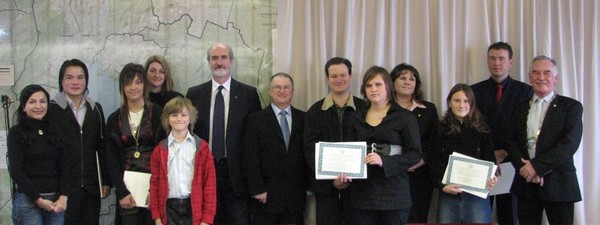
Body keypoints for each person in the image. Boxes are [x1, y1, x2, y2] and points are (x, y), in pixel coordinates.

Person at [186, 42, 262, 225]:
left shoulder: (248, 94)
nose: (219, 62)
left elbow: (256, 139)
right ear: (208, 62)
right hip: (205, 172)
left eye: (223, 57)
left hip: (237, 176)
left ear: (231, 61)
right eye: (214, 58)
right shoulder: (194, 94)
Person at [507, 55, 582, 225]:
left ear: (555, 78)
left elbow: (569, 144)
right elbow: (511, 142)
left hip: (559, 184)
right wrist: (525, 169)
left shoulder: (571, 107)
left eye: (547, 73)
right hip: (526, 184)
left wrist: (537, 167)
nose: (541, 77)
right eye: (536, 72)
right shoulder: (519, 108)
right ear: (529, 77)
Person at [344, 66, 421, 225]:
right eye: (368, 85)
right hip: (362, 196)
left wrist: (383, 161)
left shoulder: (405, 117)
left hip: (394, 196)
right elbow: (347, 151)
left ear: (388, 86)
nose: (373, 89)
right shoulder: (354, 117)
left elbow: (414, 154)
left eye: (378, 84)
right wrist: (341, 173)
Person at [471, 42, 533, 225]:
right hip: (482, 159)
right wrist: (490, 154)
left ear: (510, 62)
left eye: (501, 58)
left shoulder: (525, 91)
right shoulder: (474, 91)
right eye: (492, 58)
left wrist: (505, 151)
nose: (496, 63)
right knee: (480, 213)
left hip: (513, 160)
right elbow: (472, 128)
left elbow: (525, 127)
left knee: (510, 214)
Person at [304, 57, 367, 225]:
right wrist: (332, 178)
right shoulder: (315, 111)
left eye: (343, 75)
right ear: (327, 79)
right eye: (333, 76)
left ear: (351, 76)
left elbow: (370, 145)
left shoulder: (365, 109)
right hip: (325, 188)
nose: (339, 79)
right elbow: (310, 149)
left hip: (359, 188)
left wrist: (351, 176)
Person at [47, 59, 109, 225]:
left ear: (86, 80)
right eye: (69, 77)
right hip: (63, 191)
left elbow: (101, 147)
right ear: (62, 81)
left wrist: (105, 180)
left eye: (80, 77)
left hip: (91, 188)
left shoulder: (95, 109)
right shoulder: (51, 110)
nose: (75, 82)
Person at [243, 73, 307, 225]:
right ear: (270, 91)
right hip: (266, 196)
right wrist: (257, 188)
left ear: (292, 91)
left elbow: (307, 155)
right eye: (277, 87)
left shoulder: (304, 118)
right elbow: (250, 157)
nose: (282, 91)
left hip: (295, 197)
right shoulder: (255, 120)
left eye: (286, 87)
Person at [430, 83, 498, 223]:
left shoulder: (482, 129)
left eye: (466, 101)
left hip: (477, 196)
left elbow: (490, 159)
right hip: (449, 194)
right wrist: (442, 186)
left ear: (472, 103)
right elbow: (433, 161)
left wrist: (492, 177)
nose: (462, 105)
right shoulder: (440, 129)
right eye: (457, 100)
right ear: (449, 102)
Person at [105, 63, 164, 225]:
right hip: (127, 191)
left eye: (138, 82)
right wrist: (121, 192)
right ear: (121, 87)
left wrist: (156, 190)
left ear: (145, 85)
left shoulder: (159, 114)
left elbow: (165, 155)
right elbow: (111, 159)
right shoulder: (114, 118)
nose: (133, 87)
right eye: (128, 83)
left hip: (154, 188)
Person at [149, 97, 217, 225]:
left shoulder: (201, 148)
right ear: (167, 119)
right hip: (169, 209)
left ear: (190, 118)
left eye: (183, 115)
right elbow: (154, 185)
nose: (179, 119)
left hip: (193, 206)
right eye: (174, 115)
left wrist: (207, 219)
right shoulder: (159, 150)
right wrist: (157, 217)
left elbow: (210, 184)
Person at [8, 85, 69, 225]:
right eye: (32, 102)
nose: (38, 106)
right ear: (23, 107)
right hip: (28, 201)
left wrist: (64, 196)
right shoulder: (16, 133)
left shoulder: (55, 131)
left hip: (56, 201)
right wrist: (39, 200)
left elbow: (65, 166)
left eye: (42, 101)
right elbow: (17, 171)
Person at [390, 63, 439, 223]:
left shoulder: (429, 109)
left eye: (412, 79)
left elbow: (435, 142)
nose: (407, 82)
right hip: (392, 174)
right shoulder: (383, 109)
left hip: (421, 174)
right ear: (392, 82)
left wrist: (421, 160)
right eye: (402, 78)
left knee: (418, 217)